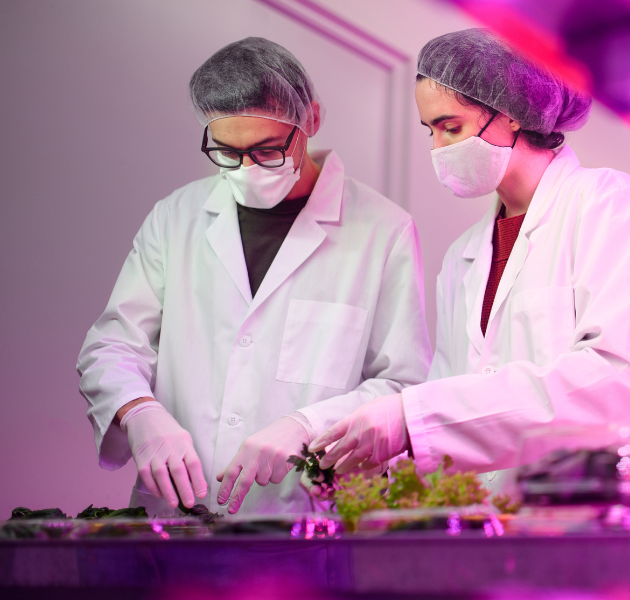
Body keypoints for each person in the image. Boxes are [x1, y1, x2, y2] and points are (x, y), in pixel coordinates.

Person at [310, 29, 630, 509]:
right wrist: (393, 456)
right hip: (504, 524)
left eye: (450, 127)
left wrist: (414, 419)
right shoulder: (462, 258)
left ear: (511, 113)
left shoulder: (609, 204)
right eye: (430, 131)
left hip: (612, 511)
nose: (437, 148)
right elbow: (451, 396)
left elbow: (613, 381)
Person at [77, 37, 431, 516]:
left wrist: (306, 424)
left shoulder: (382, 230)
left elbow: (403, 383)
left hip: (304, 514)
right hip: (179, 513)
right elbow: (112, 345)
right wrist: (139, 413)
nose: (246, 169)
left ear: (312, 121)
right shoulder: (175, 217)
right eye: (226, 151)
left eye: (266, 150)